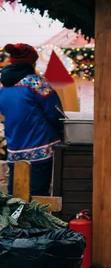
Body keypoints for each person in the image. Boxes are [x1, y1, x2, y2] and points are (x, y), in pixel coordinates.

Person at [0, 43, 64, 196]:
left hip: (15, 150)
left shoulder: (3, 86)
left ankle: (16, 220)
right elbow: (55, 114)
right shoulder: (37, 83)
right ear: (32, 62)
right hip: (41, 149)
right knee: (38, 197)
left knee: (15, 195)